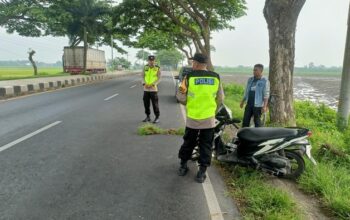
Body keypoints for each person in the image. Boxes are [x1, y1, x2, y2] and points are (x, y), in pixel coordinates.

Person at [176, 53, 224, 183]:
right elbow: (220, 98)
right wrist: (212, 109)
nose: (192, 65)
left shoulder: (189, 77)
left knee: (189, 142)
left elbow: (180, 96)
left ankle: (183, 166)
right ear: (205, 64)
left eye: (193, 63)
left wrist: (189, 104)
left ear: (196, 63)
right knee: (206, 145)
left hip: (193, 118)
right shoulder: (216, 77)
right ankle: (202, 172)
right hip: (209, 119)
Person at [142, 55, 161, 123]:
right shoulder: (145, 67)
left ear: (155, 61)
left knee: (155, 104)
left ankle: (157, 117)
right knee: (146, 104)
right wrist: (144, 83)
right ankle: (148, 116)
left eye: (153, 60)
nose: (151, 62)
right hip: (146, 89)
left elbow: (159, 78)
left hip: (153, 89)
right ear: (148, 61)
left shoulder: (157, 68)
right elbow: (142, 76)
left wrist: (153, 84)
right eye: (150, 60)